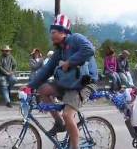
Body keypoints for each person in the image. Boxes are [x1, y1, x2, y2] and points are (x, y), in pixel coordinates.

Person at [22, 14, 98, 149]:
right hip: (69, 83)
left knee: (68, 115)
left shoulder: (75, 38)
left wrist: (70, 61)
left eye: (54, 32)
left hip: (84, 84)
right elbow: (46, 70)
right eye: (51, 32)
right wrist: (29, 86)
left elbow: (90, 49)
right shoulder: (59, 51)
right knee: (43, 90)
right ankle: (59, 123)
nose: (51, 35)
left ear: (64, 32)